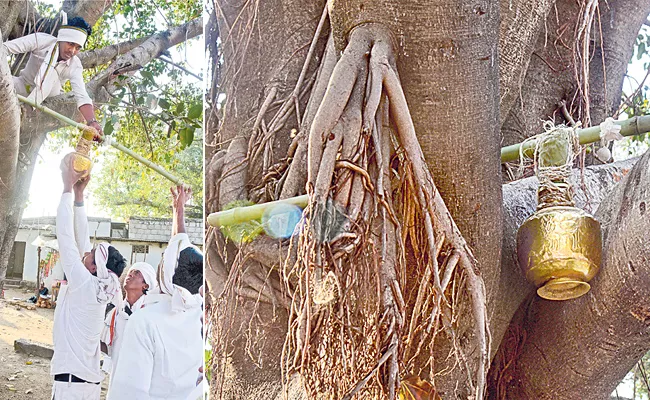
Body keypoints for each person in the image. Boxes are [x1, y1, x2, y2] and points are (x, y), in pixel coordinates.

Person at [107, 186, 203, 400]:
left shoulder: (145, 321)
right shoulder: (198, 315)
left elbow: (128, 394)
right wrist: (179, 211)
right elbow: (180, 248)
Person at [52, 155, 126, 399]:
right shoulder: (96, 285)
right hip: (86, 386)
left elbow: (65, 235)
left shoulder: (84, 283)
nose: (86, 251)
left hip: (71, 388)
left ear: (95, 268)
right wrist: (79, 196)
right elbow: (82, 240)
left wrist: (66, 186)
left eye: (91, 255)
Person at [2, 16, 103, 136]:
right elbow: (5, 48)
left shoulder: (75, 65)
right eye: (70, 44)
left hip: (48, 96)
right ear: (62, 38)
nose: (72, 51)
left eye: (77, 48)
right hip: (22, 85)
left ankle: (27, 109)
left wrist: (92, 122)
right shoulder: (41, 40)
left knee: (52, 72)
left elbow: (81, 95)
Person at [101, 261, 161, 386]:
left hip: (142, 380)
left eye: (137, 273)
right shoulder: (115, 313)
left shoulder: (151, 314)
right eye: (130, 272)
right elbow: (105, 344)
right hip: (117, 378)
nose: (130, 275)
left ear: (145, 285)